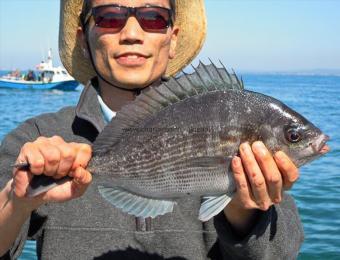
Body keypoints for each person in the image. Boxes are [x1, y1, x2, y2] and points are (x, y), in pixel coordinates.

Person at [0, 0, 304, 259]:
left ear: (173, 39)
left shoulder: (244, 140)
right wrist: (17, 200)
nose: (132, 34)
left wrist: (243, 211)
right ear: (83, 38)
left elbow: (284, 251)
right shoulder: (38, 139)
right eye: (110, 17)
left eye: (153, 18)